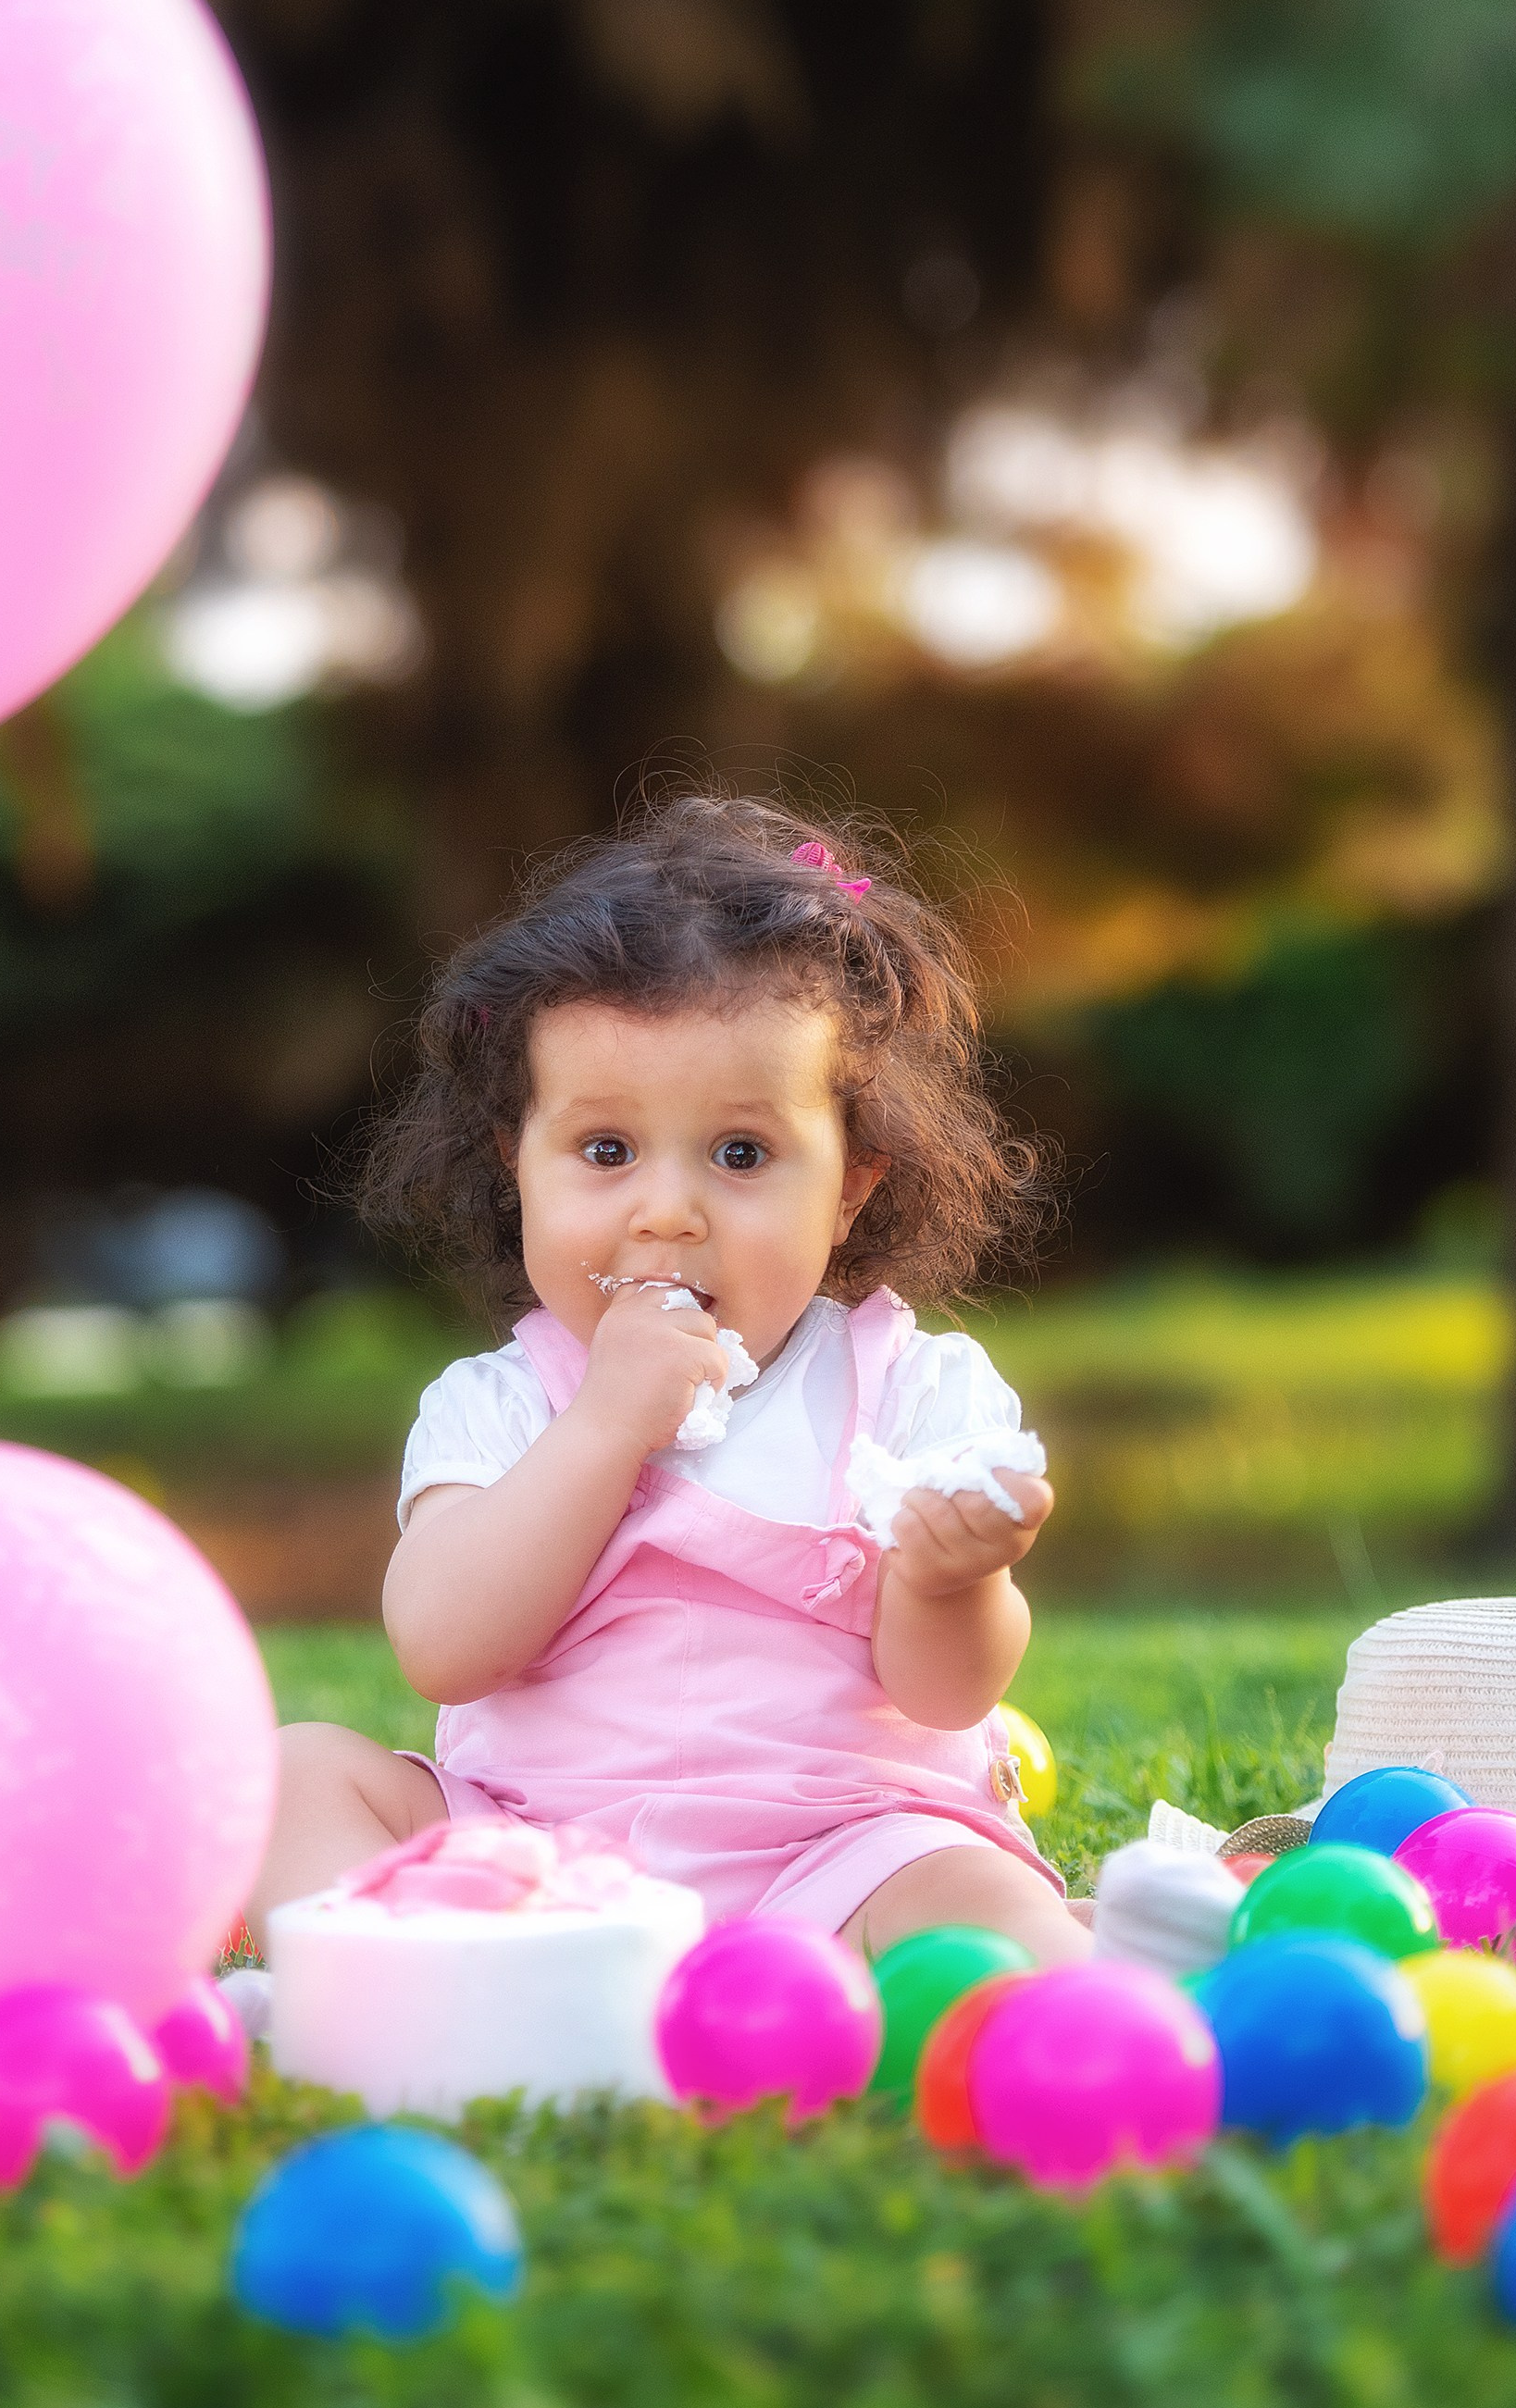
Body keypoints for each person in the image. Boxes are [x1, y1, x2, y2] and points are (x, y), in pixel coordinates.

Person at [249, 795, 1088, 1966]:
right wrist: (603, 1426)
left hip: (837, 1861)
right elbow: (444, 1646)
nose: (667, 1210)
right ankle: (451, 1986)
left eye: (741, 1154)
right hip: (538, 1869)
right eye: (605, 1152)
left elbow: (945, 1699)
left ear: (849, 1187)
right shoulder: (500, 1404)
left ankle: (978, 1986)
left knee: (977, 1903)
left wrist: (952, 1582)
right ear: (519, 1167)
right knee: (297, 1773)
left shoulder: (914, 1388)